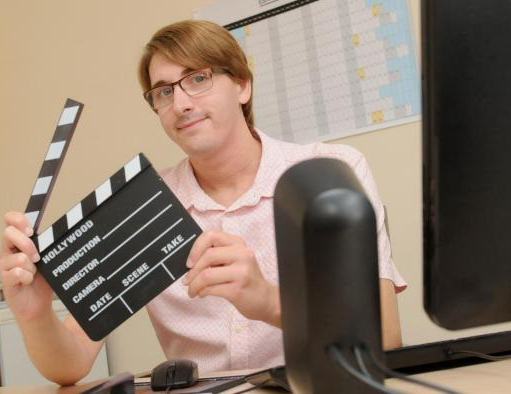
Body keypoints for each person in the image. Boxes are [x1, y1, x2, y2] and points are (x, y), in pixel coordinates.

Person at [0, 20, 406, 385]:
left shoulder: (331, 172)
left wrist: (269, 301)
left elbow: (385, 338)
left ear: (243, 85)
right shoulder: (143, 205)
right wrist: (34, 315)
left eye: (197, 79)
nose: (180, 104)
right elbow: (71, 364)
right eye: (163, 91)